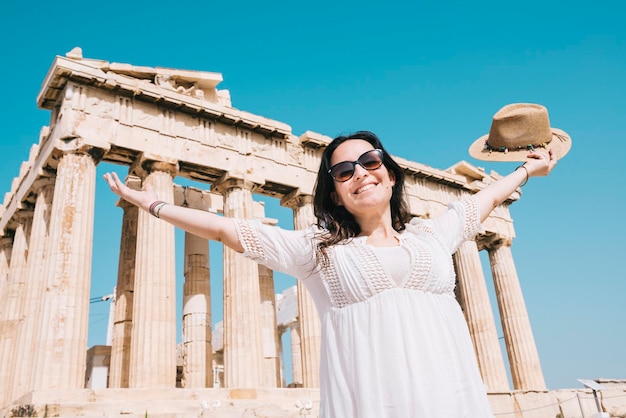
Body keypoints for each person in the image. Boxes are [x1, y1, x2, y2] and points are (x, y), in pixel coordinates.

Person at [104, 115, 563, 417]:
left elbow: (479, 203)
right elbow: (229, 231)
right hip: (374, 402)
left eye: (370, 161)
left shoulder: (430, 235)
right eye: (344, 172)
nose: (360, 172)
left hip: (451, 398)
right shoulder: (318, 250)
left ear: (390, 171)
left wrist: (525, 171)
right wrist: (154, 203)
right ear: (335, 192)